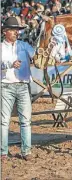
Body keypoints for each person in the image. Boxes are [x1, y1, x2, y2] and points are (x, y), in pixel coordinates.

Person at [1, 17, 35, 161]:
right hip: (6, 86)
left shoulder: (25, 46)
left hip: (23, 85)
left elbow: (37, 57)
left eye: (17, 30)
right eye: (13, 30)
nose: (16, 32)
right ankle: (3, 152)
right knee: (4, 121)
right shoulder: (1, 47)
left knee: (25, 120)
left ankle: (26, 151)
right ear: (5, 32)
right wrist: (9, 64)